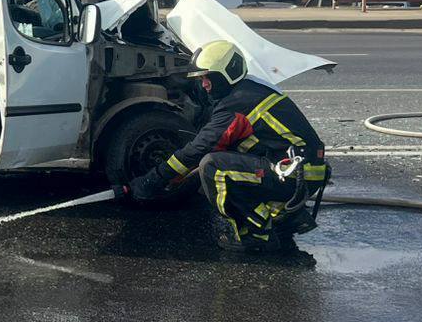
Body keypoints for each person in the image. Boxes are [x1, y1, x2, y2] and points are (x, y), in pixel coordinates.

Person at [127, 39, 330, 248]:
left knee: (213, 167)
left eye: (207, 77)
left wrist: (153, 179)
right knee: (228, 155)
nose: (204, 84)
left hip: (294, 175)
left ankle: (256, 234)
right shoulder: (249, 88)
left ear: (225, 75)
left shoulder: (238, 103)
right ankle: (288, 216)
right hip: (299, 170)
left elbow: (199, 149)